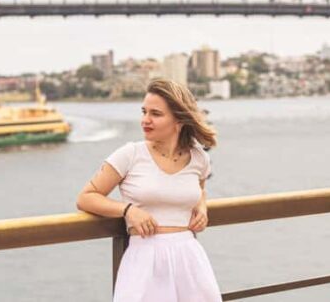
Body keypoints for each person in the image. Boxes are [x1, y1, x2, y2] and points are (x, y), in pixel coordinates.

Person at [76, 78, 222, 301]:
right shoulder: (130, 154)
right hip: (143, 261)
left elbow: (200, 189)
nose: (145, 120)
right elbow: (86, 198)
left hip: (190, 259)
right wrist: (128, 210)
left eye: (155, 114)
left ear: (179, 120)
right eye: (144, 112)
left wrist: (201, 207)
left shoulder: (199, 158)